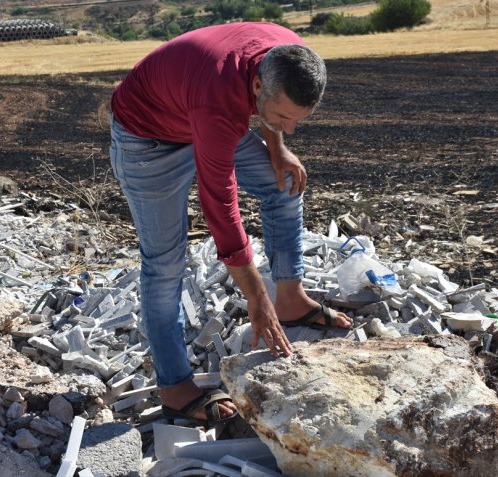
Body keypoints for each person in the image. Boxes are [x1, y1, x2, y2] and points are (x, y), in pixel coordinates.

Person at [109, 22, 352, 425]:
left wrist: (278, 147)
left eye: (298, 120)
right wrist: (256, 296)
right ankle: (174, 387)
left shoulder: (287, 52)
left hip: (201, 112)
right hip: (148, 137)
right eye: (282, 117)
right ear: (257, 87)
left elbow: (272, 115)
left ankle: (289, 299)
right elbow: (219, 206)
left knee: (285, 182)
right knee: (165, 263)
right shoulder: (219, 99)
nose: (290, 127)